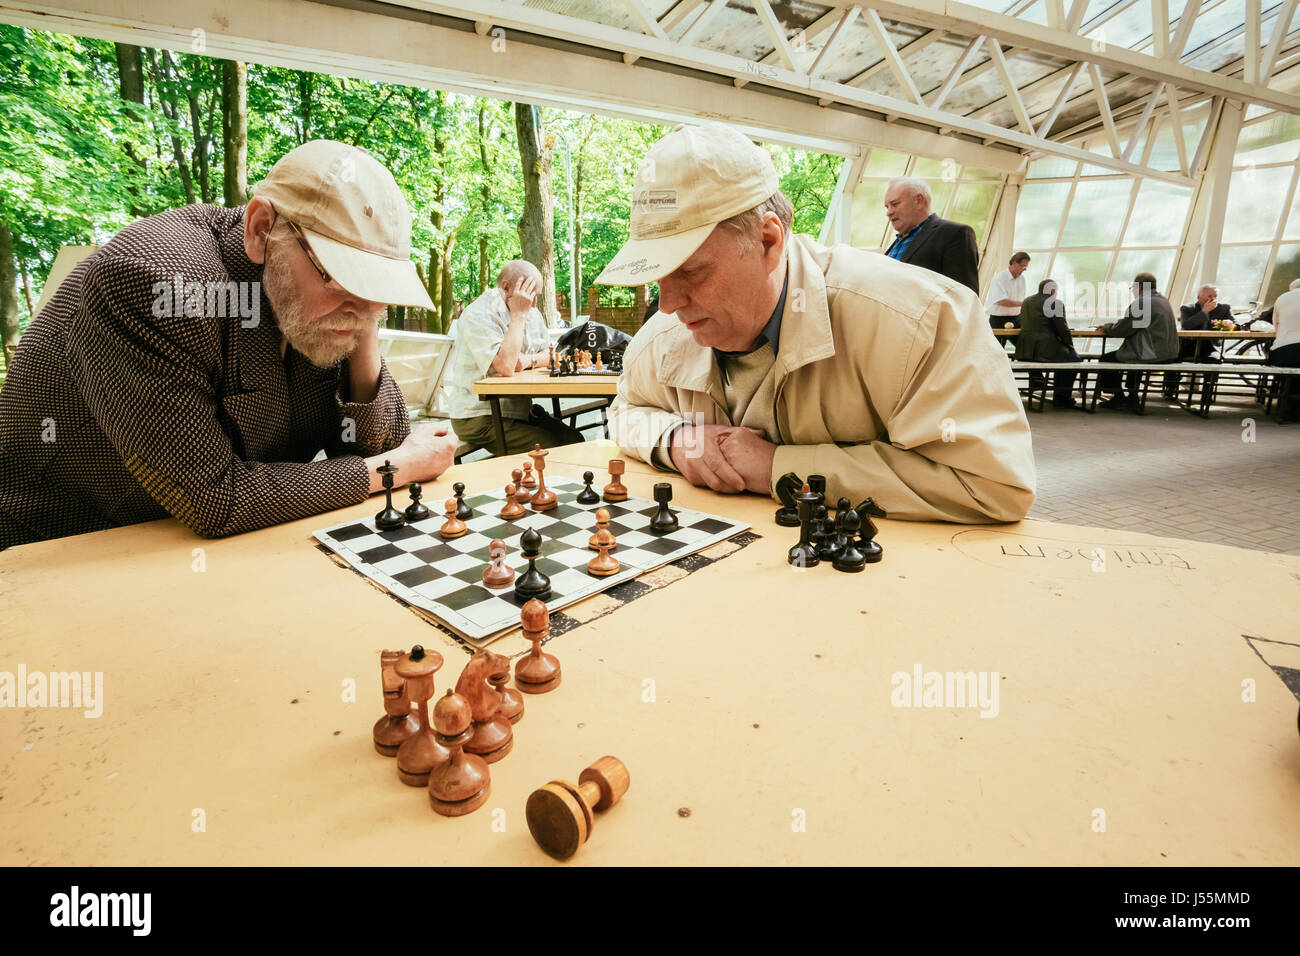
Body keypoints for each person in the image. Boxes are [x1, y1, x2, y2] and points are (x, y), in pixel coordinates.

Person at [0, 140, 457, 550]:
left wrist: (362, 319)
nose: (362, 305)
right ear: (261, 229)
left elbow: (376, 443)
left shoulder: (323, 300)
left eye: (380, 287)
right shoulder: (156, 284)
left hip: (206, 546)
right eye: (340, 276)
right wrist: (398, 467)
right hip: (59, 547)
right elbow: (215, 497)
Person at [599, 122, 1034, 524]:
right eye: (659, 277)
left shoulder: (921, 320)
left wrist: (778, 466)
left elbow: (994, 484)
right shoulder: (666, 332)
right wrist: (677, 441)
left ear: (768, 242)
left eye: (691, 272)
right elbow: (625, 409)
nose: (669, 304)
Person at [445, 260, 584, 456]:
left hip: (518, 411)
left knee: (575, 441)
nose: (533, 303)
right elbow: (507, 366)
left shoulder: (532, 312)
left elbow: (552, 355)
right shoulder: (479, 314)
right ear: (506, 287)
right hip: (478, 415)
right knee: (554, 449)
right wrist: (518, 315)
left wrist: (528, 361)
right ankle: (505, 480)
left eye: (536, 296)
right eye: (529, 294)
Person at [1096, 273, 1179, 411]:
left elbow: (1122, 330)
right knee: (1130, 356)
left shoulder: (1142, 303)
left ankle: (1118, 398)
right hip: (1169, 354)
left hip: (1151, 354)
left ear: (1139, 287)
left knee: (1106, 359)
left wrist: (1107, 327)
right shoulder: (1164, 301)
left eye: (1132, 287)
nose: (1132, 291)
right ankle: (1132, 397)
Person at [882, 177, 980, 294]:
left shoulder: (955, 234)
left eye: (894, 204)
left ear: (919, 201)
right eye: (887, 207)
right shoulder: (898, 242)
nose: (888, 212)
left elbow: (964, 297)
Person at [1015, 279, 1080, 408]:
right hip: (1045, 350)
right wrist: (1071, 346)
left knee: (1065, 357)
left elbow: (1020, 320)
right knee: (1074, 360)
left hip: (1025, 350)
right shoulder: (1055, 303)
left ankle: (1058, 395)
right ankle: (1062, 398)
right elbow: (1062, 329)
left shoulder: (1027, 301)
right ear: (1052, 290)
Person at [1166, 284, 1232, 396]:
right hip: (1189, 345)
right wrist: (1204, 312)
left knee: (1214, 361)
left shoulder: (1224, 308)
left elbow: (1236, 324)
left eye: (1215, 296)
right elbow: (1186, 325)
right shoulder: (1187, 308)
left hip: (1211, 347)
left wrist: (1231, 325)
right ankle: (1171, 388)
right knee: (1171, 356)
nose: (1213, 299)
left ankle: (1207, 393)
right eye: (1209, 296)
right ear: (1199, 297)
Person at [1267, 277, 1300, 421]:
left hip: (1283, 351)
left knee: (1290, 374)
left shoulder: (1282, 298)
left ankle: (1285, 409)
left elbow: (1276, 326)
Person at [985, 252, 1030, 330]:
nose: (1025, 269)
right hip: (998, 320)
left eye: (1026, 266)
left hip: (1017, 318)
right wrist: (1024, 304)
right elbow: (1001, 301)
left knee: (1024, 341)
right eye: (1023, 266)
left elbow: (1021, 299)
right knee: (997, 343)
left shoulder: (1022, 279)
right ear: (1014, 263)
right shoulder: (999, 278)